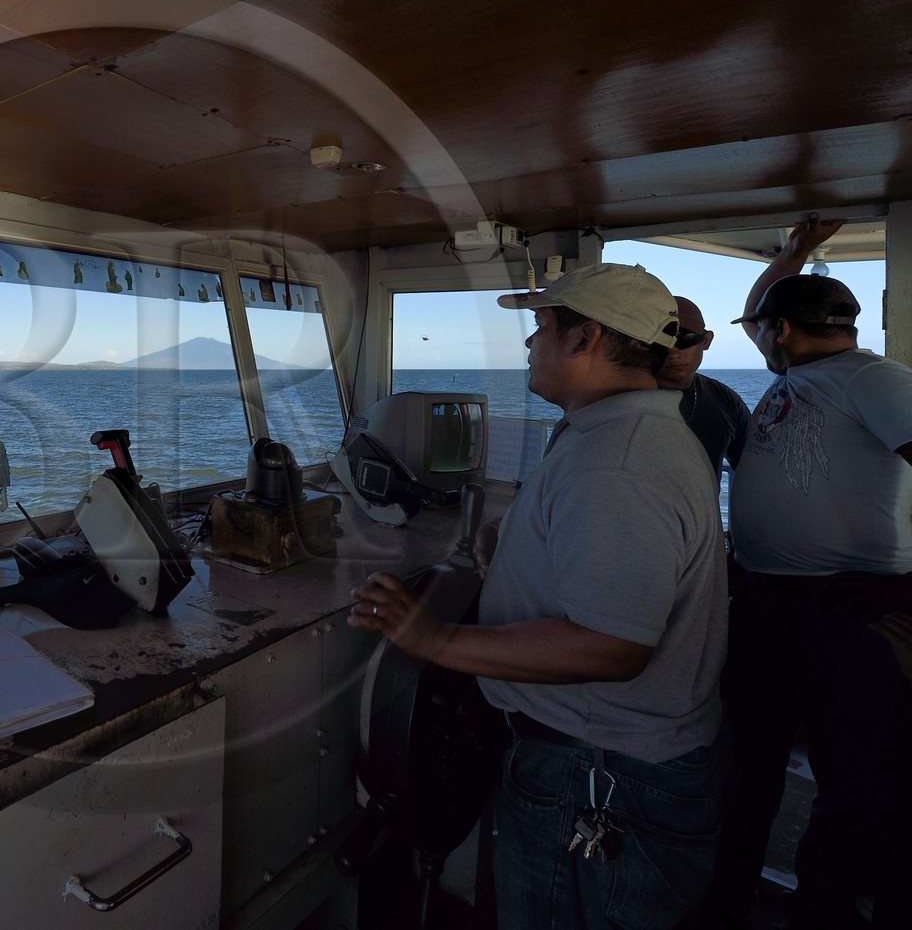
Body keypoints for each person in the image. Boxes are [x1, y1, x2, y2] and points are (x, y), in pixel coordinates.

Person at [349, 262, 728, 930]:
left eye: (541, 327)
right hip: (606, 761)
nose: (530, 343)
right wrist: (522, 554)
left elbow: (614, 647)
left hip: (600, 777)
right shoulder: (617, 436)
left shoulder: (619, 460)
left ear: (584, 339)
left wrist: (435, 640)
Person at [705, 216, 912, 929]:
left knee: (853, 786)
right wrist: (792, 256)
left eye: (766, 329)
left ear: (782, 332)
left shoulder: (876, 381)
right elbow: (769, 306)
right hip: (767, 607)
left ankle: (824, 915)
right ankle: (726, 903)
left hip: (848, 617)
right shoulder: (800, 369)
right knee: (747, 768)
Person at [659, 296, 749, 482]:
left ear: (706, 340)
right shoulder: (621, 398)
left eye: (686, 338)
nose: (673, 350)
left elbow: (753, 471)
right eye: (661, 340)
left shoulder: (726, 401)